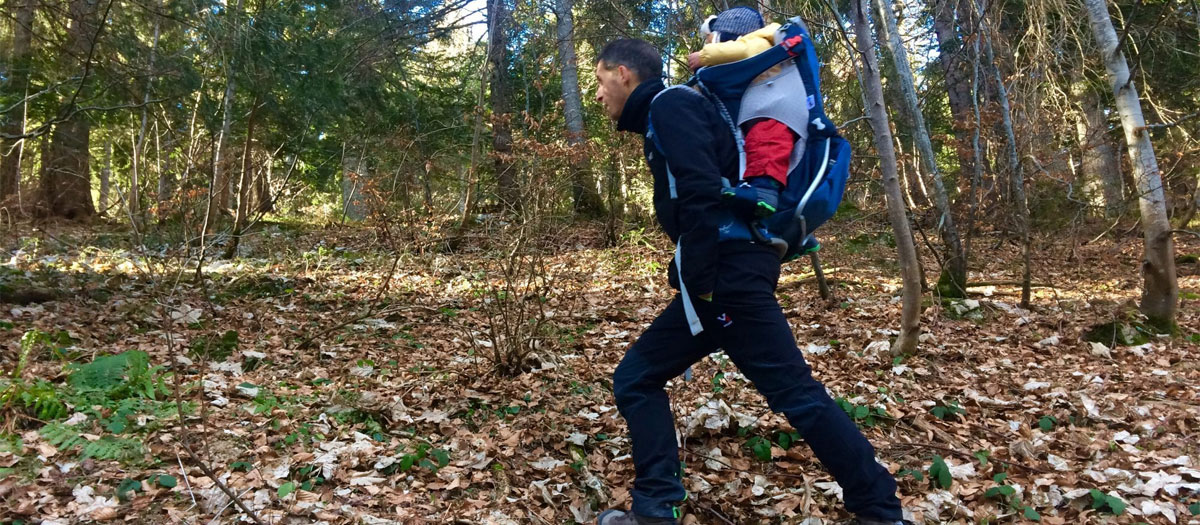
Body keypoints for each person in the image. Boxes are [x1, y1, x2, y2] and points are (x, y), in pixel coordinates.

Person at [592, 38, 907, 525]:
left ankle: (882, 510)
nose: (597, 95)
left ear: (623, 74)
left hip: (725, 275)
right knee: (637, 378)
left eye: (598, 81)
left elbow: (699, 190)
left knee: (794, 393)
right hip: (727, 271)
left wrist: (699, 281)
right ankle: (655, 507)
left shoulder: (671, 104)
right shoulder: (673, 109)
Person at [687, 7, 797, 221]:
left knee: (765, 145)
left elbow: (743, 52)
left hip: (772, 114)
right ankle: (793, 224)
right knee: (762, 151)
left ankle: (764, 191)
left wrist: (704, 56)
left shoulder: (760, 41)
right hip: (763, 110)